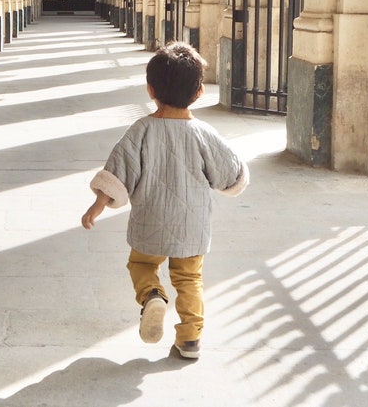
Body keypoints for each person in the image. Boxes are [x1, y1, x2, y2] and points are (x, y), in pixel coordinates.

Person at [81, 41, 249, 359]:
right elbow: (231, 173)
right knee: (189, 278)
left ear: (150, 89)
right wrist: (238, 176)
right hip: (192, 225)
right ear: (199, 93)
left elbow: (119, 169)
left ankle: (152, 295)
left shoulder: (141, 130)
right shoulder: (205, 134)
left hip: (150, 221)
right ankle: (189, 339)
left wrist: (99, 203)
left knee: (141, 264)